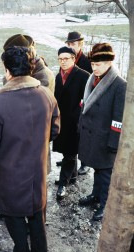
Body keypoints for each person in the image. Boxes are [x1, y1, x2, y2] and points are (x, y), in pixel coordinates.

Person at [0, 46, 60, 252]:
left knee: (12, 212)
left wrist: (2, 159)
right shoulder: (46, 94)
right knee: (36, 210)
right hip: (37, 167)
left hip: (10, 169)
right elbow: (55, 129)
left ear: (8, 70)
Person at [0, 34, 55, 220]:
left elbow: (43, 119)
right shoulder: (21, 69)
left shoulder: (42, 75)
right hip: (17, 145)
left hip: (32, 145)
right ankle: (9, 211)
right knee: (15, 187)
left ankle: (35, 225)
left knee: (35, 193)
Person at [78, 43, 126, 220]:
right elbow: (85, 105)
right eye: (93, 64)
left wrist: (113, 143)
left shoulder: (119, 85)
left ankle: (105, 205)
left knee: (106, 174)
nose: (95, 68)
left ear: (109, 63)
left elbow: (118, 118)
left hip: (106, 138)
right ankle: (95, 195)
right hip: (93, 135)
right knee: (97, 170)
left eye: (99, 64)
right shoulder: (92, 79)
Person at [53, 46, 90, 200]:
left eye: (66, 58)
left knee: (70, 152)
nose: (63, 62)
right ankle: (72, 176)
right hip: (62, 120)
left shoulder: (84, 76)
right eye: (60, 59)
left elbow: (87, 100)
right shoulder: (57, 76)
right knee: (67, 151)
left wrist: (80, 117)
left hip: (75, 121)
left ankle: (63, 183)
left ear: (74, 59)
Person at [56, 31, 93, 175]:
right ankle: (69, 159)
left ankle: (85, 162)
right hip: (69, 105)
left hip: (81, 103)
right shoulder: (65, 58)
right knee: (70, 137)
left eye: (73, 44)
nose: (71, 45)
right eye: (69, 43)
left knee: (81, 136)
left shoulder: (86, 62)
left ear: (80, 44)